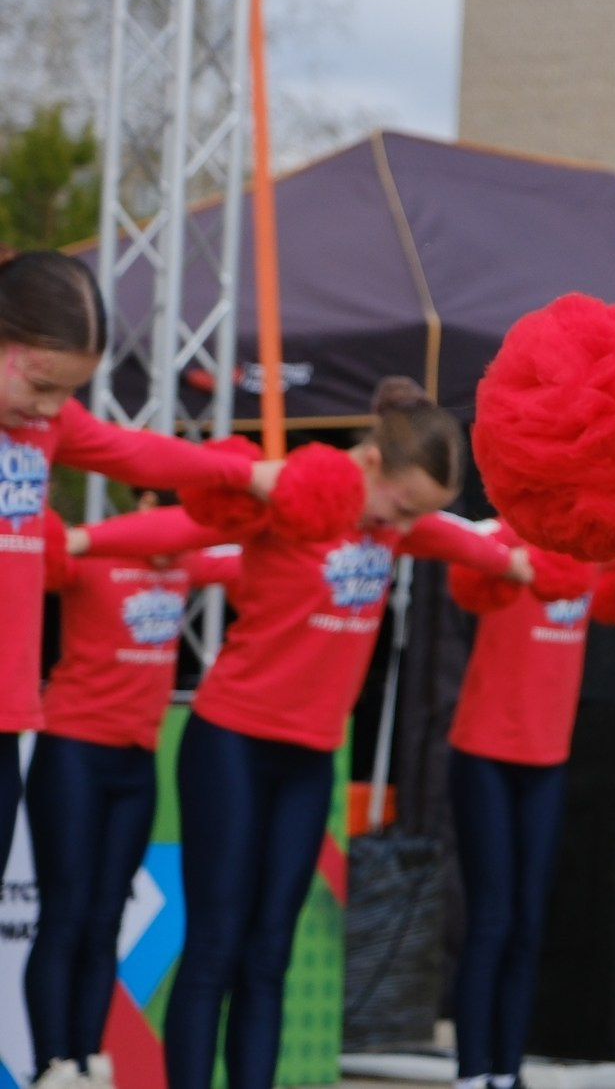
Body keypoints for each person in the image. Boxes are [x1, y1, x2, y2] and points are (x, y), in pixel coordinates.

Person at [69, 379, 531, 1089]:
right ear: (372, 463)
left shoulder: (398, 522)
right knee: (217, 942)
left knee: (270, 950)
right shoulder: (291, 492)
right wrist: (80, 541)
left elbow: (461, 541)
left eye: (416, 514)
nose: (398, 523)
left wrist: (513, 561)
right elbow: (182, 532)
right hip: (233, 742)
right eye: (401, 504)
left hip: (310, 757)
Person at [2, 246, 277, 871]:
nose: (51, 407)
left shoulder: (40, 425)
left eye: (68, 392)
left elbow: (133, 452)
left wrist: (246, 475)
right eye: (42, 385)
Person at [445, 521, 615, 1089]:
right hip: (485, 755)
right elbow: (445, 541)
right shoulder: (496, 539)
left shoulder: (593, 552)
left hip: (547, 759)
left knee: (529, 922)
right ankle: (472, 1072)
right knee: (492, 920)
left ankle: (508, 1070)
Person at [22, 502, 238, 1089]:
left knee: (106, 919)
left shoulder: (187, 562)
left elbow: (246, 547)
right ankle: (51, 1065)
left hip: (137, 764)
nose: (179, 532)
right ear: (143, 510)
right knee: (64, 916)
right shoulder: (92, 554)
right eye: (168, 514)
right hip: (73, 752)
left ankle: (87, 1061)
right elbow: (38, 553)